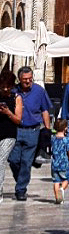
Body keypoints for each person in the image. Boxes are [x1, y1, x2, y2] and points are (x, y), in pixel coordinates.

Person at [10, 65, 52, 201]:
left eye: (30, 79)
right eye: (24, 79)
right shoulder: (13, 91)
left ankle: (21, 190)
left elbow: (45, 110)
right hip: (16, 130)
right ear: (19, 79)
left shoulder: (39, 91)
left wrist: (47, 129)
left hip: (32, 130)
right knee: (14, 160)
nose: (28, 81)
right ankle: (20, 181)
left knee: (26, 162)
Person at [0, 69, 19, 199]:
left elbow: (18, 120)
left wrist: (8, 113)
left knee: (0, 161)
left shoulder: (16, 98)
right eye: (3, 86)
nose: (5, 89)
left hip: (9, 135)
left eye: (8, 86)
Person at [49, 119, 69, 203]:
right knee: (66, 179)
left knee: (56, 181)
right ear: (65, 128)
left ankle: (57, 198)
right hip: (64, 164)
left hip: (54, 164)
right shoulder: (66, 140)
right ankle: (62, 188)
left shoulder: (53, 139)